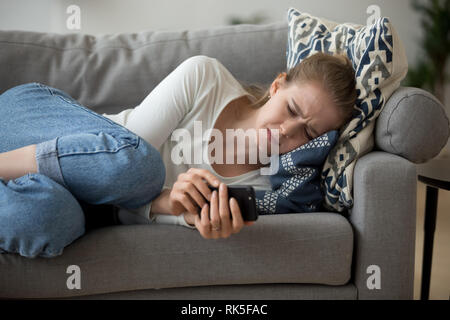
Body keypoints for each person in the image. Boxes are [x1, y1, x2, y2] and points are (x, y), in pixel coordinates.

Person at [0, 52, 356, 258]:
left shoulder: (263, 190)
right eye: (291, 109)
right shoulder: (205, 78)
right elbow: (120, 161)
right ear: (277, 85)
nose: (286, 132)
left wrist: (183, 215)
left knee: (45, 220)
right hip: (37, 124)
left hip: (74, 204)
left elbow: (113, 209)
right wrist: (166, 197)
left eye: (308, 133)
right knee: (143, 166)